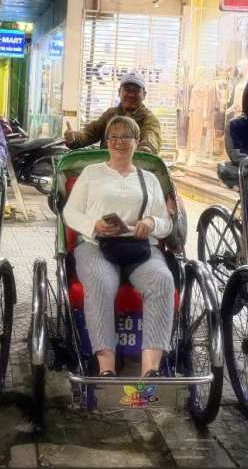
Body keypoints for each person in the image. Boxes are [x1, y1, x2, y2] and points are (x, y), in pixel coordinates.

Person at [62, 115, 174, 378]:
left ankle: (150, 370)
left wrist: (150, 222)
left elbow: (166, 223)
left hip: (140, 246)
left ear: (137, 142)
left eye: (126, 137)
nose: (119, 142)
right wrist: (94, 224)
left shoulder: (149, 179)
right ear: (107, 141)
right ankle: (106, 368)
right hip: (95, 245)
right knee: (101, 283)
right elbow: (70, 213)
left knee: (163, 280)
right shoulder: (91, 173)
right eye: (113, 137)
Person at [63, 71, 162, 155]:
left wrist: (143, 152)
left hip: (133, 171)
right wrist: (73, 138)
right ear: (119, 92)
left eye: (136, 91)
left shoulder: (149, 119)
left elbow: (151, 139)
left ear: (144, 94)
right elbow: (89, 134)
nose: (131, 95)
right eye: (127, 90)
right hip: (106, 170)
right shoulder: (110, 114)